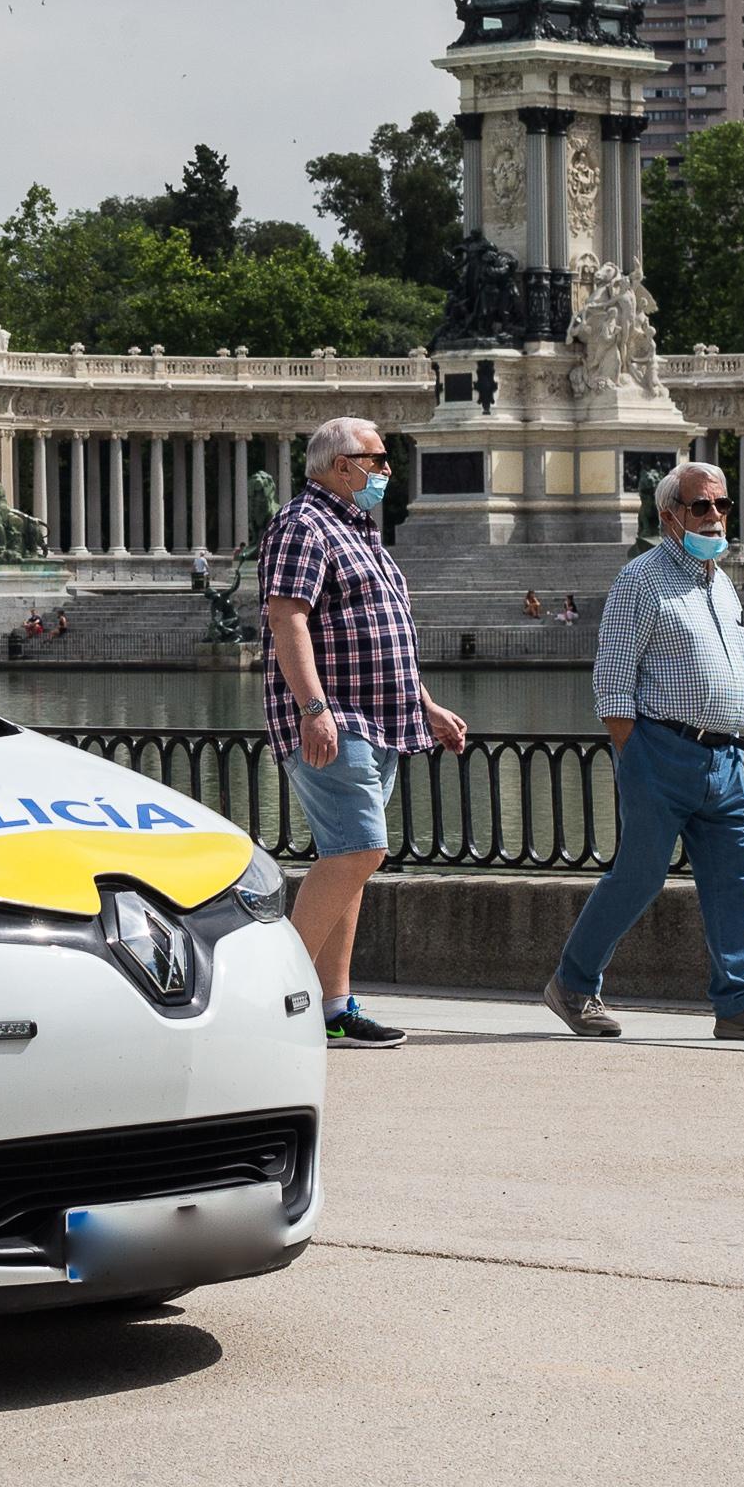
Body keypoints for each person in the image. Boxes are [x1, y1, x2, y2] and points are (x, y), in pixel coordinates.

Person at [544, 462, 744, 1042]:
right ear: (669, 517)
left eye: (721, 505)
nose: (714, 515)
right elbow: (611, 682)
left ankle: (739, 1002)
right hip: (662, 750)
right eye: (700, 507)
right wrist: (636, 756)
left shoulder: (721, 579)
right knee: (639, 878)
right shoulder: (640, 580)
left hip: (725, 756)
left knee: (736, 878)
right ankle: (572, 983)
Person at [261, 416, 468, 1049]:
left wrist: (424, 704)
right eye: (377, 460)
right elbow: (286, 618)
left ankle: (334, 1007)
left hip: (381, 714)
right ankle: (272, 996)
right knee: (360, 852)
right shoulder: (303, 525)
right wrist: (314, 708)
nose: (386, 470)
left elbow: (386, 633)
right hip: (338, 715)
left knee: (347, 861)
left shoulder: (360, 529)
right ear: (340, 463)